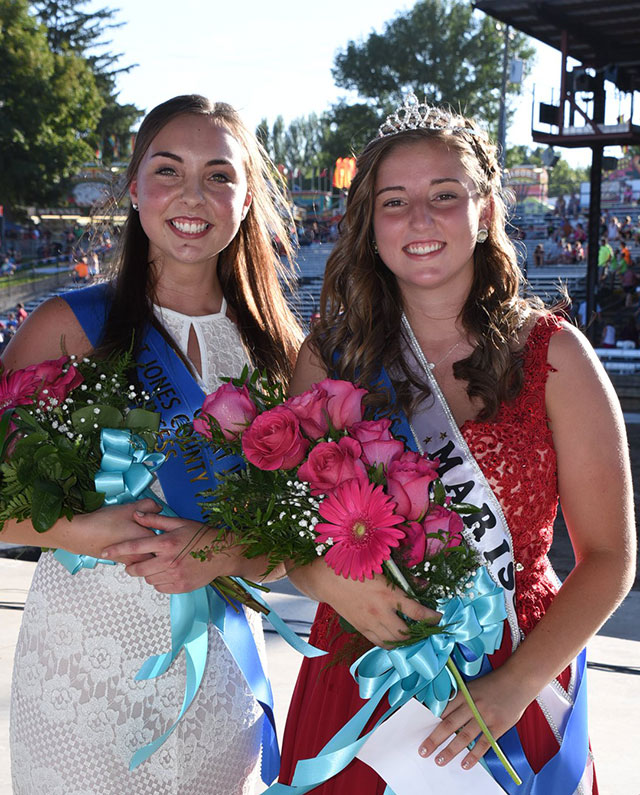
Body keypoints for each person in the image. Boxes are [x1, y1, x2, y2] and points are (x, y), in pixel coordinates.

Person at [278, 96, 635, 793]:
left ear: (487, 211)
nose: (420, 219)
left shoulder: (556, 358)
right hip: (363, 664)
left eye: (445, 195)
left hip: (517, 676)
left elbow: (612, 557)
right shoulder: (329, 358)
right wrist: (327, 582)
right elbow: (289, 529)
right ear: (368, 224)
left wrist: (515, 687)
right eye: (395, 201)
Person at [3, 95, 303, 794]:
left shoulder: (284, 355)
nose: (192, 195)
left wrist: (229, 550)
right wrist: (84, 529)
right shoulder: (69, 324)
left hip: (219, 686)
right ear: (133, 189)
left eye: (219, 175)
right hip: (81, 677)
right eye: (168, 170)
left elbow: (300, 544)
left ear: (248, 195)